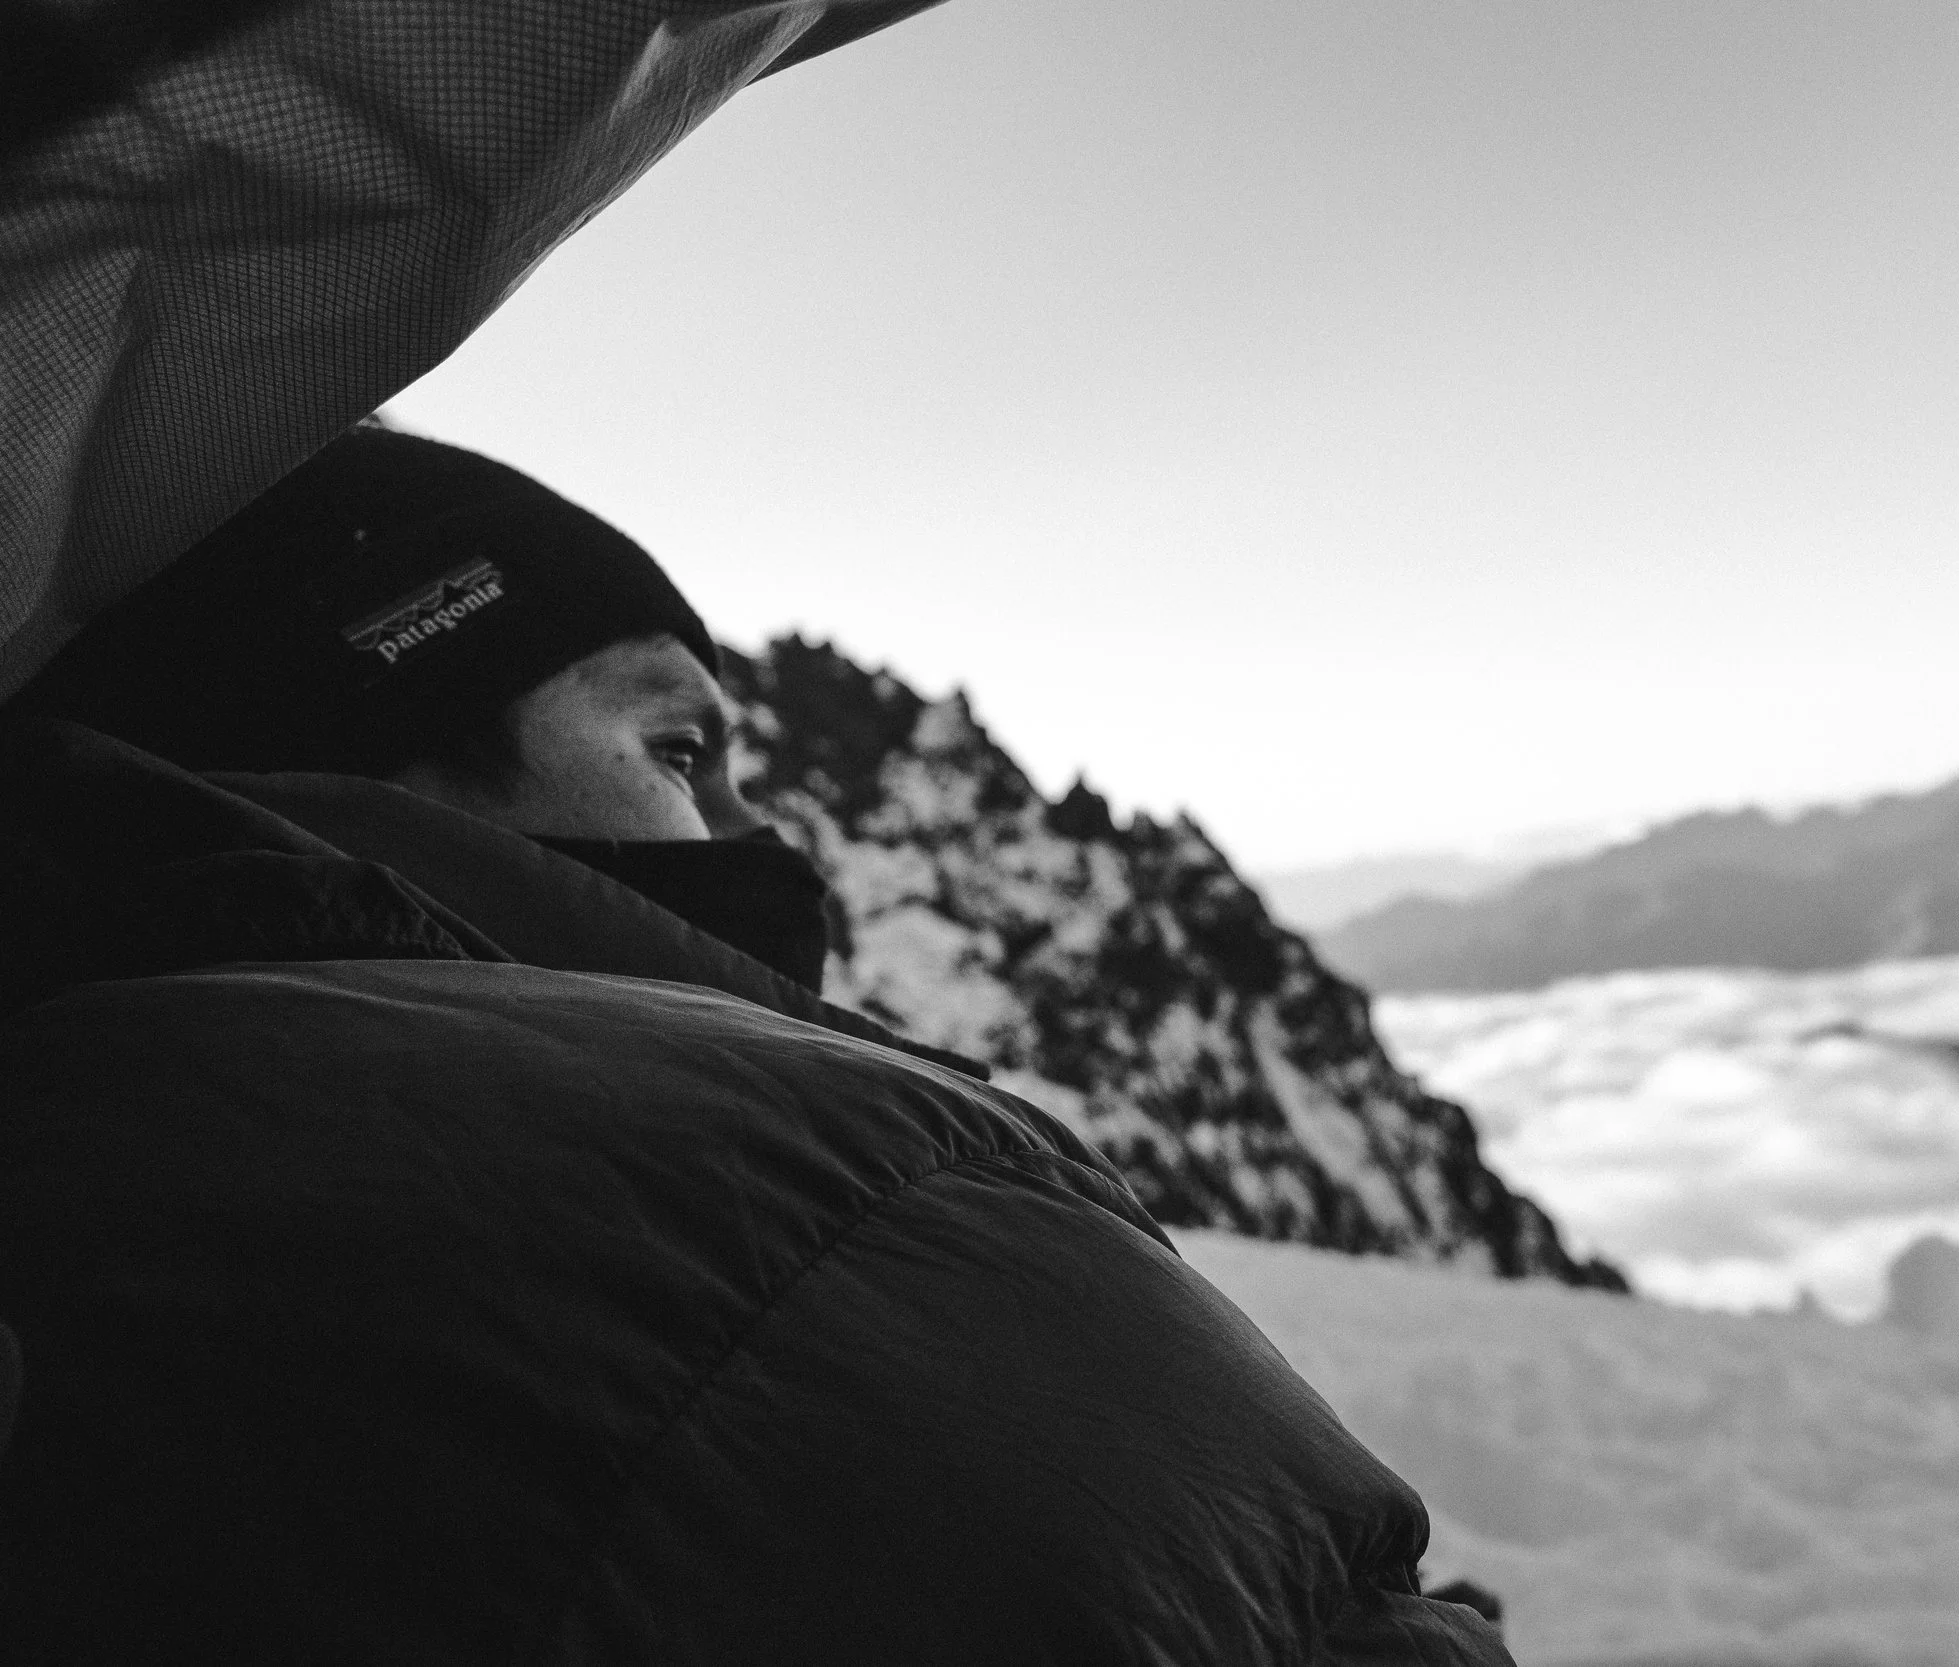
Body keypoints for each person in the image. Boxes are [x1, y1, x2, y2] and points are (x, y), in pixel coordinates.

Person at [0, 429, 1514, 1664]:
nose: (757, 844)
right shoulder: (847, 1208)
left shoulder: (75, 1167)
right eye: (678, 750)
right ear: (366, 747)